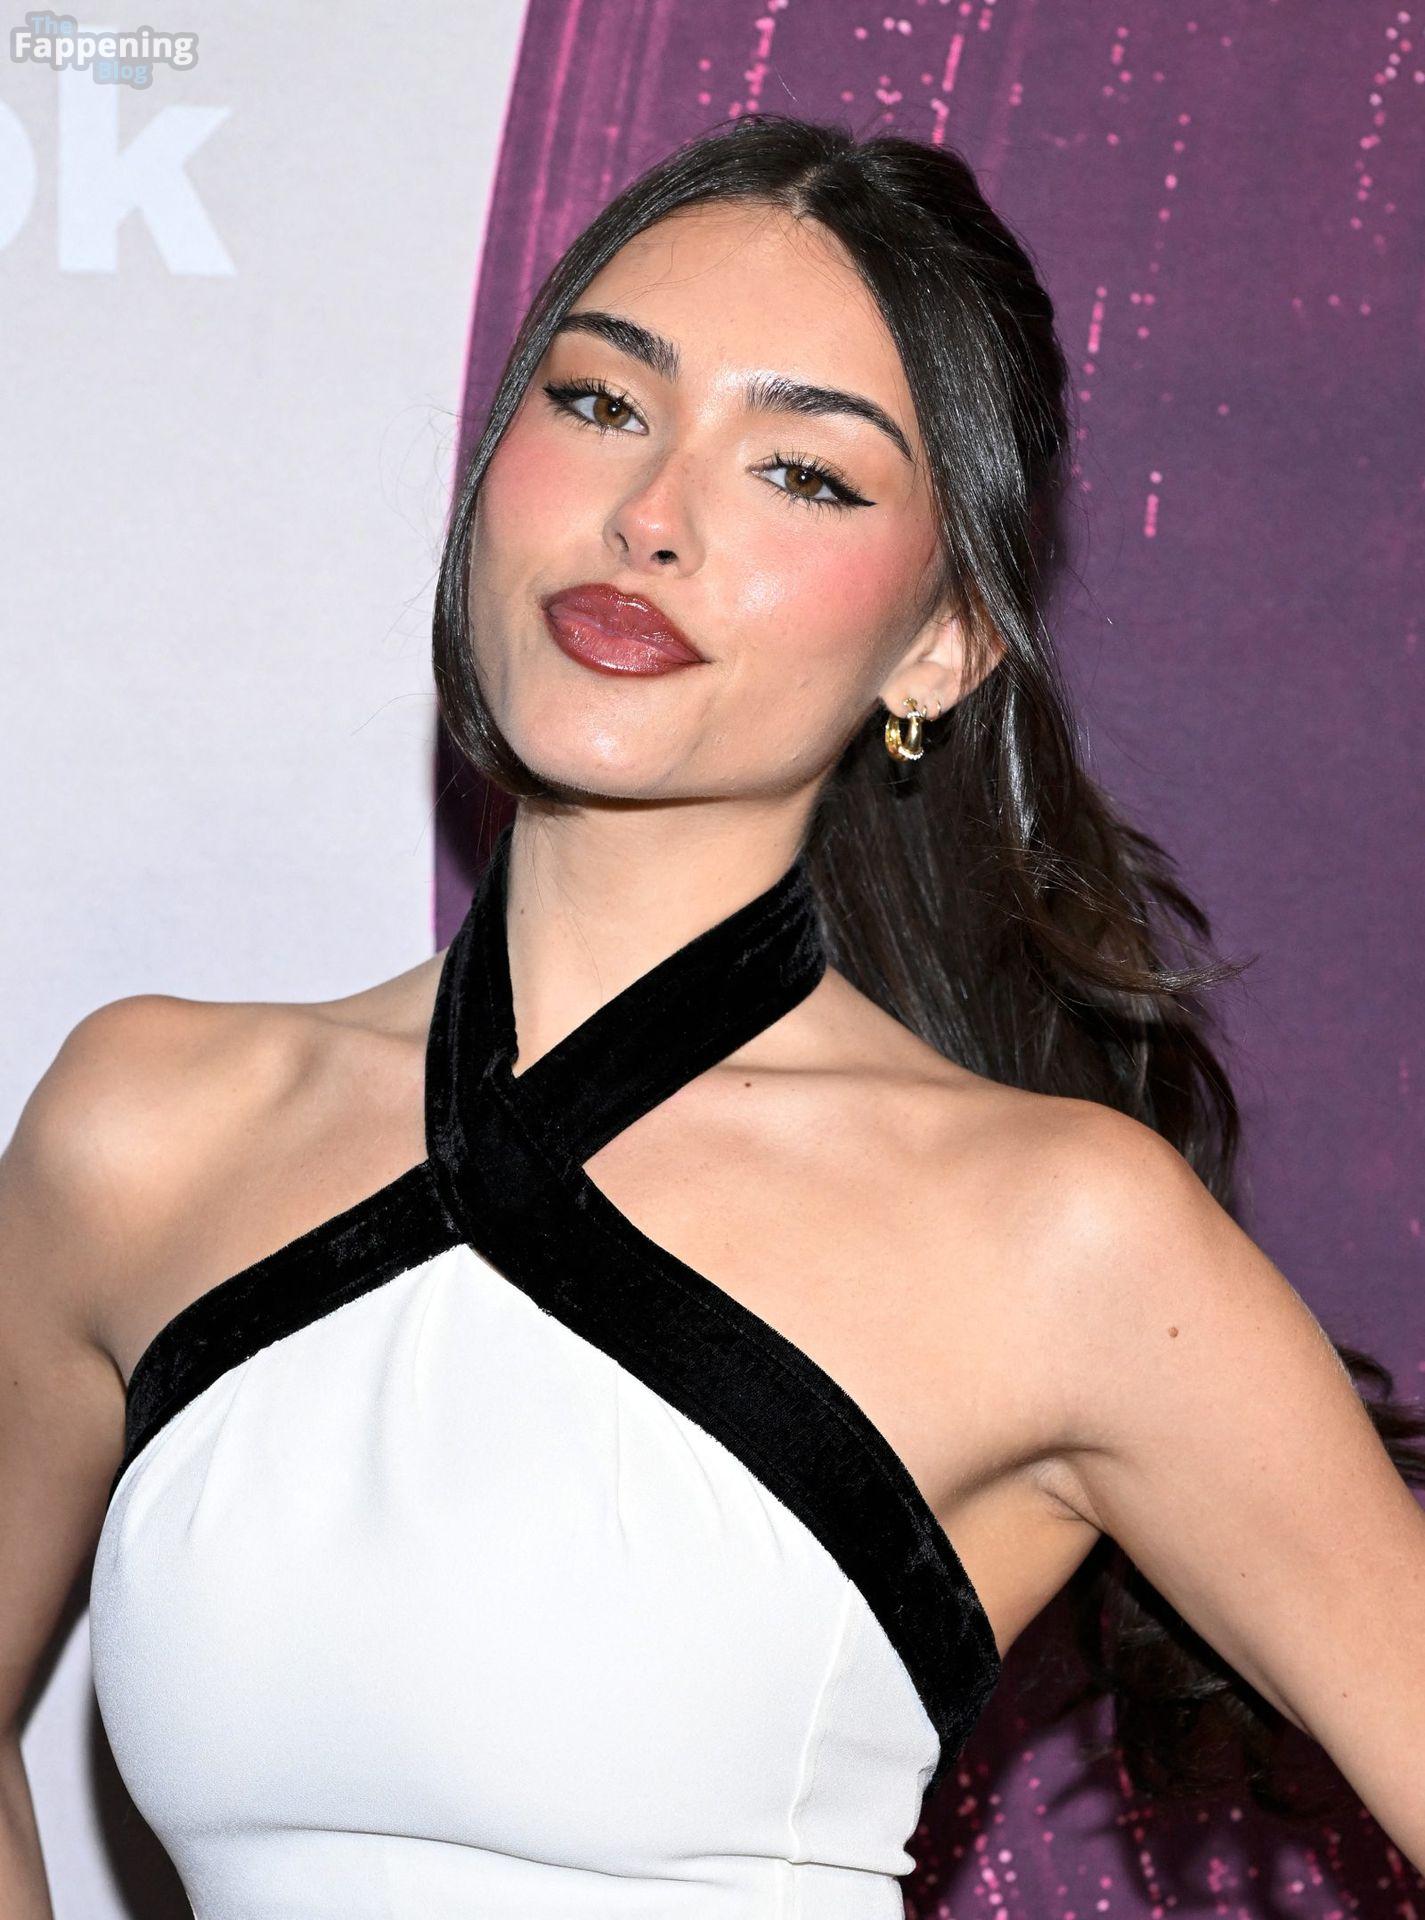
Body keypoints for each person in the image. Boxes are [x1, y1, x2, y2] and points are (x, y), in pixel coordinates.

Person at [2, 112, 1422, 1917]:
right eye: (603, 402)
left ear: (941, 645)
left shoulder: (1060, 1235)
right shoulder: (147, 1124)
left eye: (805, 475)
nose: (651, 516)